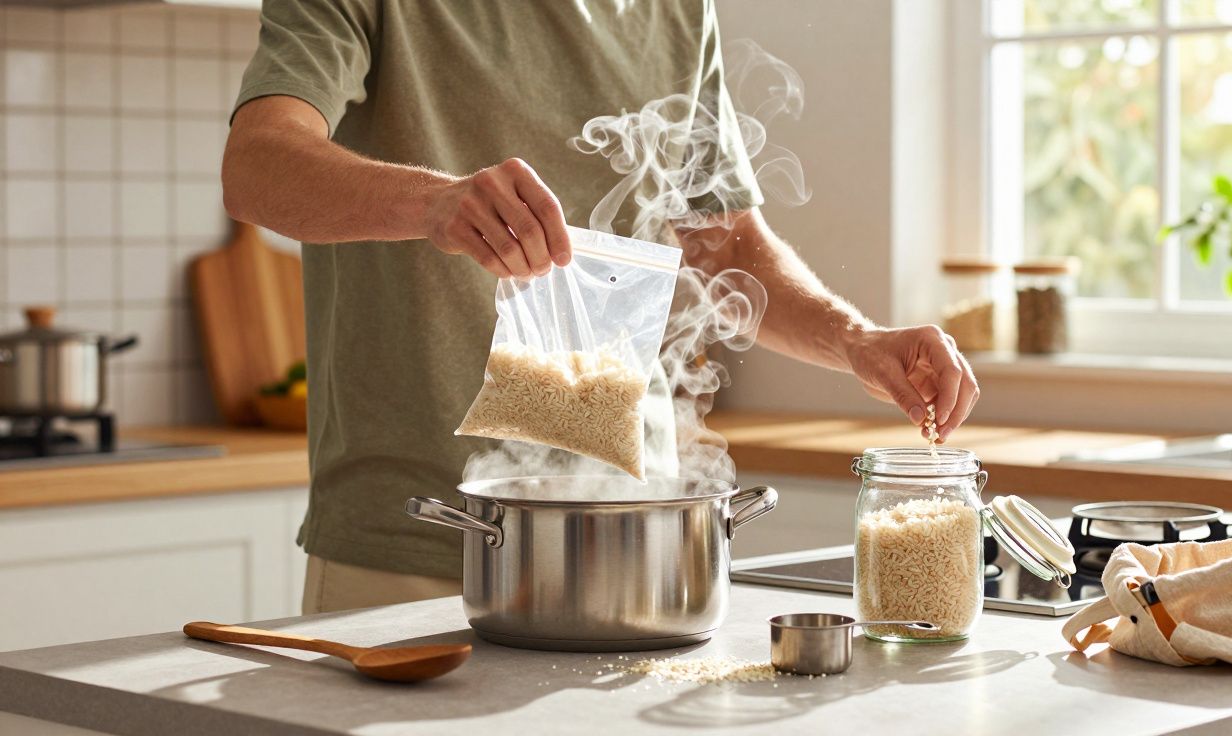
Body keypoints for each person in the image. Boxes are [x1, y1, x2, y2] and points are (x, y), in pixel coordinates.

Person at [223, 0, 980, 614]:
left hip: (630, 538)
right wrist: (438, 203)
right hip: (416, 544)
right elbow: (256, 166)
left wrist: (857, 339)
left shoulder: (678, 13)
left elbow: (722, 243)